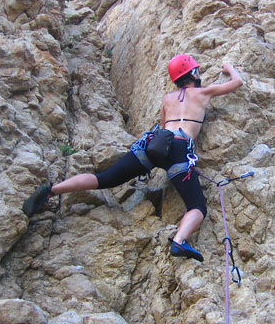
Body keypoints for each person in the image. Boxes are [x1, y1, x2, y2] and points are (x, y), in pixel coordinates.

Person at [23, 54, 243, 262]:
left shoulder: (167, 99)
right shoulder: (204, 94)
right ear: (194, 73)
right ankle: (178, 241)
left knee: (105, 178)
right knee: (197, 207)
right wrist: (228, 67)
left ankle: (51, 190)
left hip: (154, 145)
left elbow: (163, 126)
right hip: (179, 151)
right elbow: (237, 83)